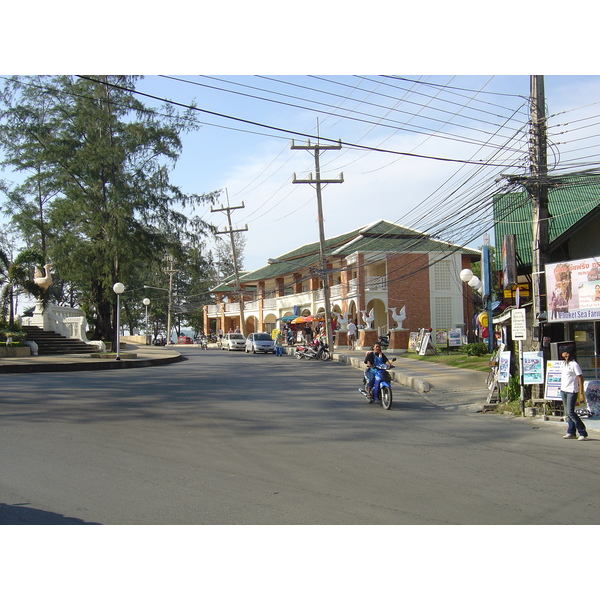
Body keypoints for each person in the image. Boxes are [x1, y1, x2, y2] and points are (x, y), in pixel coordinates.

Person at [560, 350, 588, 440]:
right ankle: (571, 432)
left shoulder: (574, 364)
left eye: (566, 353)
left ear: (569, 354)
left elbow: (580, 378)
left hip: (571, 391)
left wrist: (581, 393)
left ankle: (582, 431)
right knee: (567, 413)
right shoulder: (564, 364)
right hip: (563, 390)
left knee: (571, 412)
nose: (564, 354)